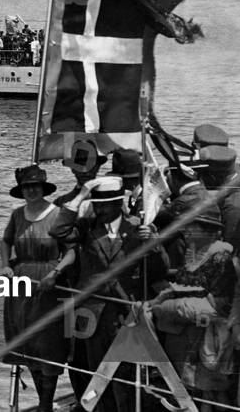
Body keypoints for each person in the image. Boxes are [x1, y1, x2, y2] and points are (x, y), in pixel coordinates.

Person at [50, 176, 168, 412]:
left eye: (105, 205)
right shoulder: (86, 228)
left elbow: (160, 270)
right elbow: (58, 230)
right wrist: (82, 194)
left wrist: (153, 243)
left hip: (125, 313)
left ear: (117, 204)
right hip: (92, 314)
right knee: (96, 373)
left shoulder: (138, 227)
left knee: (125, 376)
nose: (99, 209)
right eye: (96, 204)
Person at [148, 208, 238, 407]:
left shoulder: (219, 258)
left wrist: (166, 309)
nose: (186, 231)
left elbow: (218, 306)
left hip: (209, 337)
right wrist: (156, 301)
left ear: (210, 231)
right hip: (184, 334)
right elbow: (181, 286)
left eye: (193, 227)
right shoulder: (192, 254)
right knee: (189, 390)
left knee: (210, 395)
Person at [0, 164, 72, 412]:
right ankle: (43, 401)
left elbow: (71, 251)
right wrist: (5, 266)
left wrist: (56, 273)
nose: (31, 191)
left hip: (49, 283)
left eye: (35, 187)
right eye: (26, 187)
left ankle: (45, 403)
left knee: (48, 341)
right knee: (27, 340)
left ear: (43, 188)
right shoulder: (17, 215)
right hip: (20, 285)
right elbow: (6, 241)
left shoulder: (57, 214)